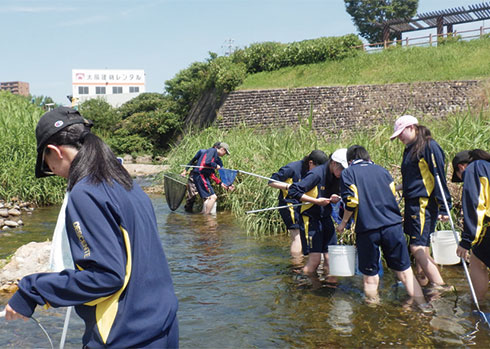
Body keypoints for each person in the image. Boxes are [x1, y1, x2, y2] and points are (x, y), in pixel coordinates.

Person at [5, 107, 179, 348]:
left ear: (55, 151)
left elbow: (106, 277)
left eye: (47, 164)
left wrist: (32, 290)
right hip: (163, 327)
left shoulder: (85, 192)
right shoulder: (126, 184)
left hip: (125, 336)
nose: (52, 172)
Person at [336, 145, 426, 305]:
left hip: (367, 229)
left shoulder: (348, 173)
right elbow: (391, 192)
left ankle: (374, 314)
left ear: (350, 160)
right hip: (392, 226)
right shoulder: (382, 170)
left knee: (370, 277)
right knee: (405, 272)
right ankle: (423, 307)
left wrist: (343, 223)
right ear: (367, 157)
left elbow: (352, 200)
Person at [390, 114, 452, 290]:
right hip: (412, 202)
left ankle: (440, 286)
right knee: (421, 246)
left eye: (402, 133)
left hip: (423, 203)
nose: (400, 137)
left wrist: (444, 206)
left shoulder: (429, 146)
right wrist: (395, 188)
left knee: (416, 246)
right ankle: (425, 282)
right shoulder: (410, 148)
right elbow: (415, 178)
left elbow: (438, 177)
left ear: (412, 127)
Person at [288, 148, 347, 276]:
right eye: (342, 169)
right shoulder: (316, 174)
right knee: (314, 260)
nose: (343, 173)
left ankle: (329, 289)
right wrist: (315, 201)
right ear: (333, 163)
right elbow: (293, 191)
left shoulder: (337, 176)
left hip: (325, 216)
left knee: (330, 257)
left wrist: (334, 198)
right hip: (310, 218)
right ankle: (306, 289)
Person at [268, 150, 329, 258]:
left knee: (305, 235)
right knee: (297, 236)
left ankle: (303, 260)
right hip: (289, 204)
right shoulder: (292, 168)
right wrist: (288, 187)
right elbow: (271, 182)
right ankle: (297, 265)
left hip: (302, 205)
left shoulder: (314, 172)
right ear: (311, 163)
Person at [452, 149, 490, 301]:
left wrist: (467, 241)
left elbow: (476, 206)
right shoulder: (487, 166)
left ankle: (477, 306)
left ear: (461, 167)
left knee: (477, 260)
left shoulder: (474, 169)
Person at [190, 142, 233, 214]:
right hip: (200, 175)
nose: (224, 155)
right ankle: (207, 216)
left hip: (201, 176)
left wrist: (221, 183)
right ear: (222, 149)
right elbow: (207, 162)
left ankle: (203, 215)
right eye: (225, 153)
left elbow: (211, 173)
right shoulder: (212, 151)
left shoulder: (215, 156)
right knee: (213, 197)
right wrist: (216, 166)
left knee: (207, 199)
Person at [180, 142, 222, 213]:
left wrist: (222, 183)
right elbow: (192, 161)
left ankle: (203, 214)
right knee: (191, 196)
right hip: (194, 175)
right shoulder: (203, 152)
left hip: (204, 176)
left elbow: (218, 170)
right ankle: (189, 213)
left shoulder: (217, 158)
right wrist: (185, 171)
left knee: (206, 197)